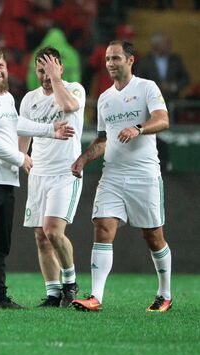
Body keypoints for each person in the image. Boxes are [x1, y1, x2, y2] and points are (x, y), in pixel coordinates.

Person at [0, 45, 75, 310]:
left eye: (0, 66)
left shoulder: (6, 98)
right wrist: (20, 158)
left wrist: (49, 130)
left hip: (4, 182)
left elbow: (16, 124)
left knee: (0, 245)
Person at [71, 40, 172, 312]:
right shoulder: (104, 98)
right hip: (112, 175)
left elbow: (163, 119)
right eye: (107, 59)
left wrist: (138, 128)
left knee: (153, 236)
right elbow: (104, 140)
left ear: (130, 60)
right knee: (103, 228)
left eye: (116, 58)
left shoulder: (147, 88)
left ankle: (165, 294)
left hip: (144, 174)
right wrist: (83, 158)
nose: (110, 64)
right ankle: (95, 297)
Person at [19, 47, 85, 308]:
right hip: (39, 172)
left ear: (60, 68)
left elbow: (69, 106)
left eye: (50, 69)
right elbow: (23, 130)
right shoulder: (29, 99)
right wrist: (21, 156)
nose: (45, 75)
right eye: (41, 70)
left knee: (53, 231)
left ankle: (70, 282)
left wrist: (57, 80)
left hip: (65, 172)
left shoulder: (73, 88)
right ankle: (53, 292)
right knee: (40, 236)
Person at [134, 31, 190, 102]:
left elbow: (186, 79)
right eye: (166, 43)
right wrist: (156, 87)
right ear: (156, 45)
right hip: (151, 102)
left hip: (173, 103)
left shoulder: (176, 60)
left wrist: (173, 87)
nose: (169, 45)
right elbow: (138, 81)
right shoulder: (144, 62)